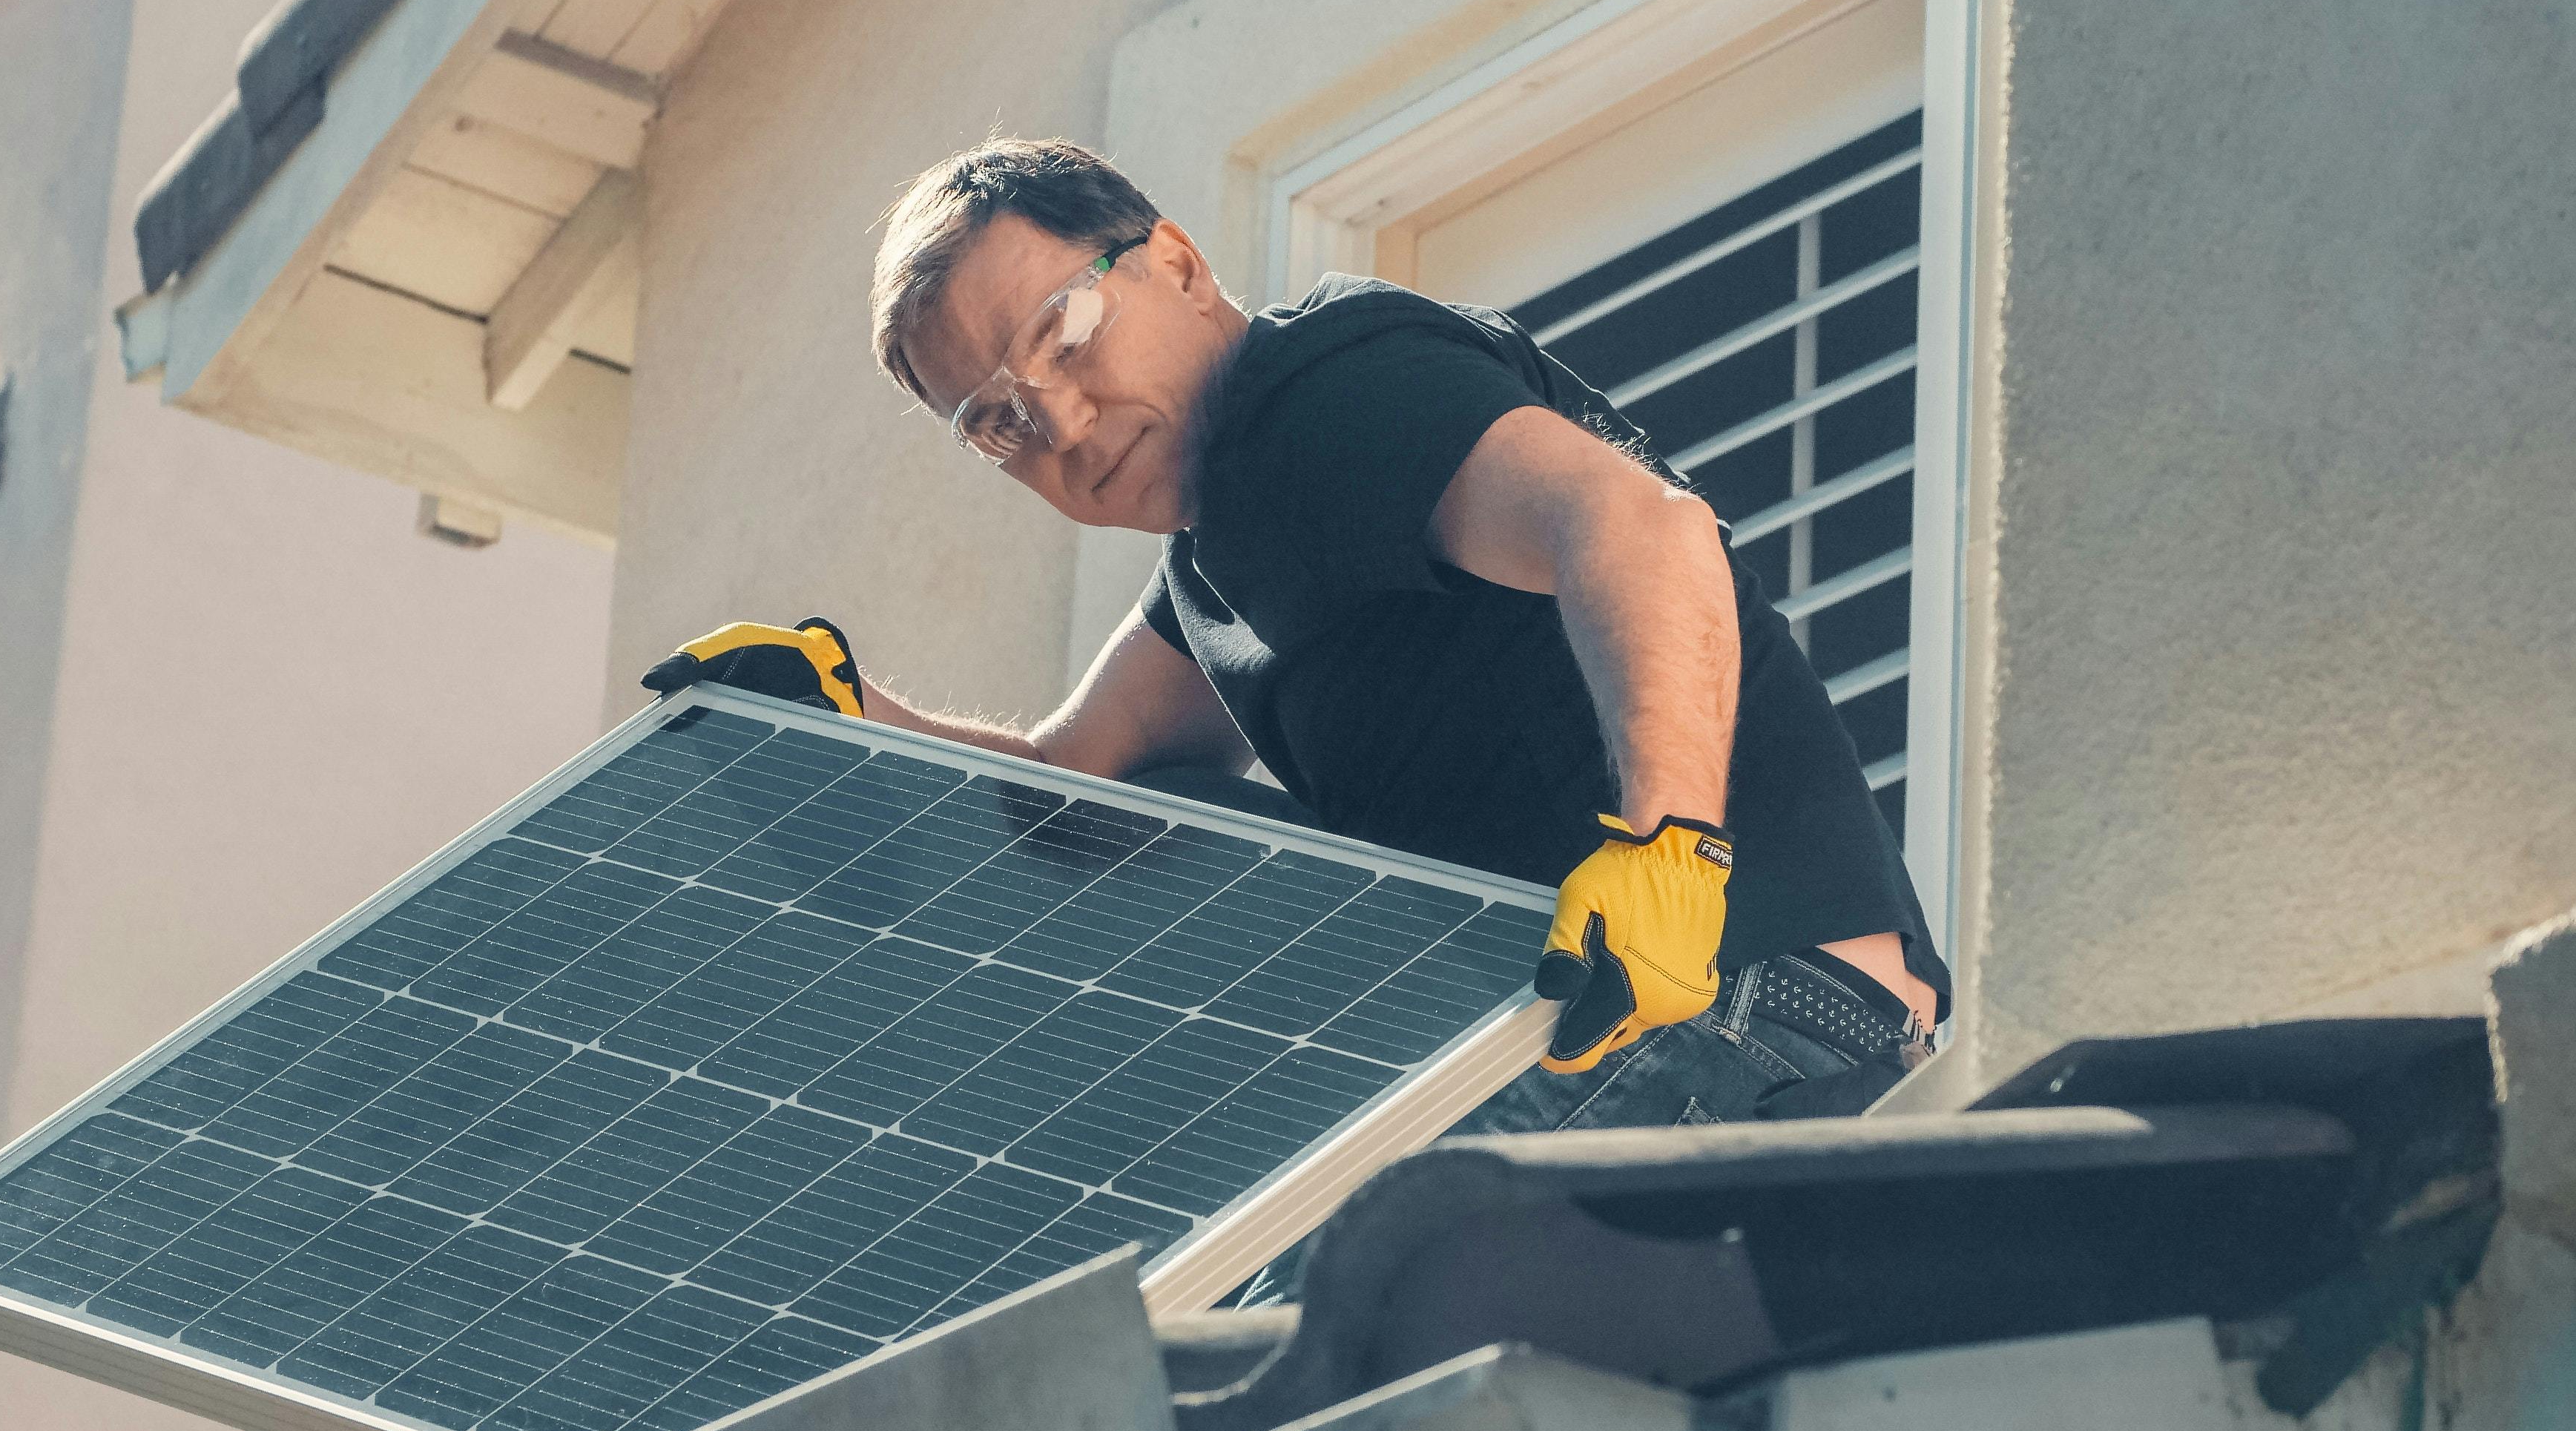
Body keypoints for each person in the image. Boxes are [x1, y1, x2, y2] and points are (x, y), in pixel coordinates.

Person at [645, 137, 1943, 1133]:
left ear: (1180, 263)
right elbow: (1074, 789)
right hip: (1655, 1027)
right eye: (996, 420)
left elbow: (1638, 528)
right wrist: (848, 717)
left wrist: (1669, 851)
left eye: (1067, 333)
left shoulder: (1323, 389)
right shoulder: (1220, 561)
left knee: (1276, 1356)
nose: (1065, 422)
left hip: (1747, 1005)